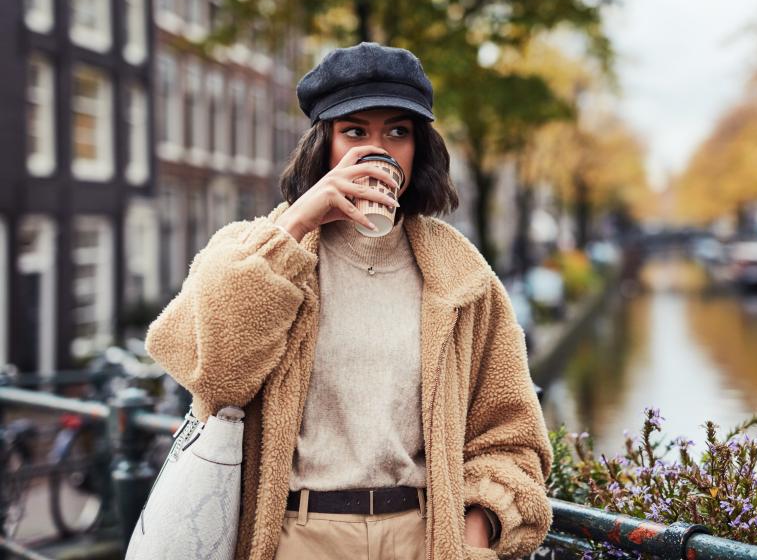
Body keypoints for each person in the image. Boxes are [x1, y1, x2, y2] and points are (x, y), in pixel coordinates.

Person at [144, 42, 553, 560]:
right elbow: (215, 376)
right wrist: (294, 224)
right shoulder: (257, 250)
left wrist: (472, 536)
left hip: (421, 539)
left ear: (417, 148)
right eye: (355, 131)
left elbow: (512, 436)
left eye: (397, 132)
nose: (376, 149)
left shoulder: (462, 276)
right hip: (297, 537)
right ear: (325, 145)